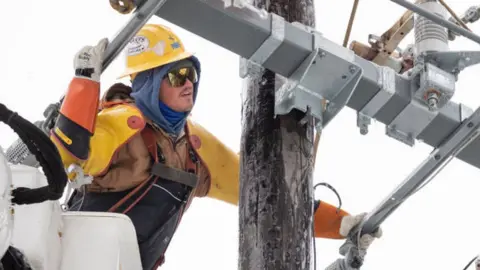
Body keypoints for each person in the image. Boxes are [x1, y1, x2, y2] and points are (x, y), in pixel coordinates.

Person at [49, 24, 382, 269]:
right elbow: (70, 158)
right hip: (73, 258)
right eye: (177, 75)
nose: (189, 83)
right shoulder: (123, 121)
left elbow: (259, 193)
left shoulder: (193, 145)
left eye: (192, 73)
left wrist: (341, 225)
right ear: (148, 82)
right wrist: (83, 84)